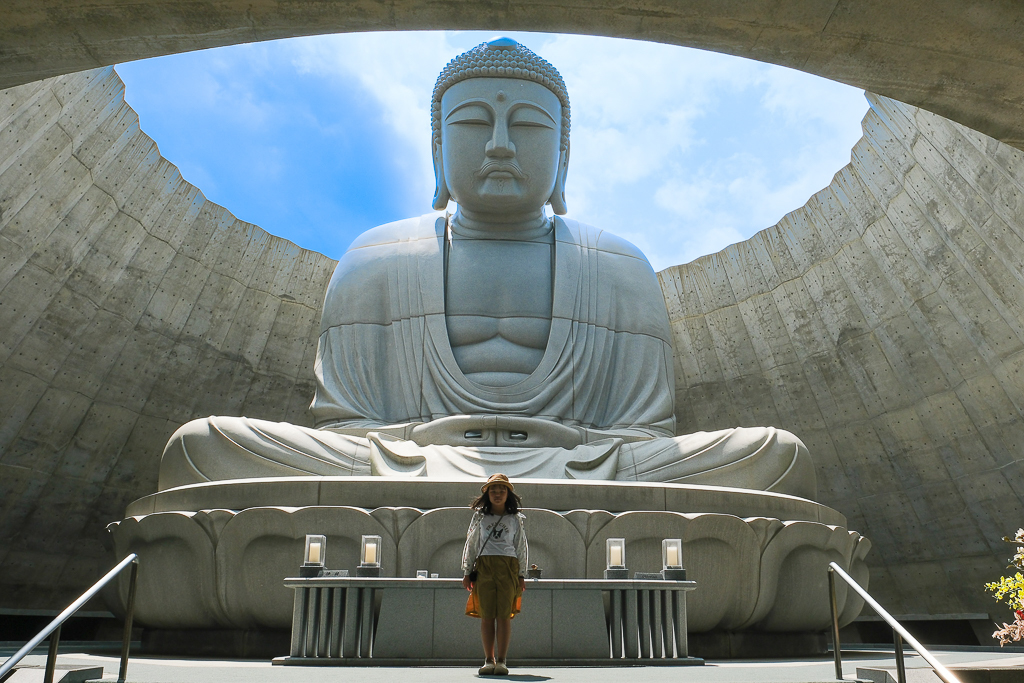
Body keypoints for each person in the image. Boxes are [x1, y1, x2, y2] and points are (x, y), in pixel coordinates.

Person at [156, 37, 816, 502]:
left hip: (591, 468)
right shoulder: (376, 257)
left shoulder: (619, 266)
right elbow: (347, 431)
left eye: (526, 126)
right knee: (203, 445)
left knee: (774, 456)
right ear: (438, 151)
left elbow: (642, 437)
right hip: (405, 467)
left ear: (563, 156)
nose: (500, 143)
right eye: (475, 122)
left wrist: (578, 456)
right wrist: (418, 452)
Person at [461, 473, 528, 675]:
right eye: (493, 490)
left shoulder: (515, 518)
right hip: (484, 567)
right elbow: (471, 543)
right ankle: (488, 660)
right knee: (487, 615)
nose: (497, 494)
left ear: (508, 494)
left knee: (504, 616)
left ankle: (502, 660)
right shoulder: (480, 516)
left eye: (502, 490)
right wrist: (466, 570)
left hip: (508, 566)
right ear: (487, 493)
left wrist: (522, 574)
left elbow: (521, 546)